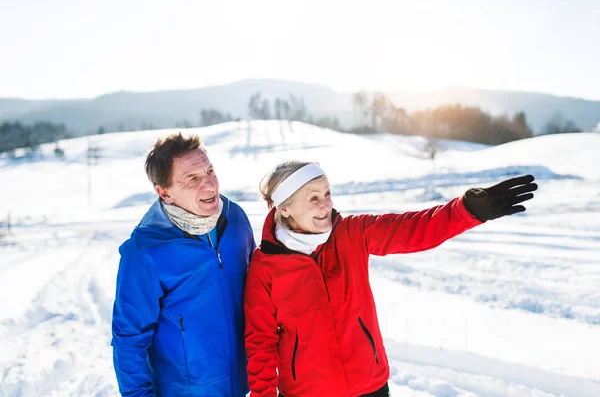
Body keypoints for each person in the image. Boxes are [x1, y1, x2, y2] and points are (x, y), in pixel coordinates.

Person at [244, 161, 537, 397]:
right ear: (284, 208)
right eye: (314, 199)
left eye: (328, 194)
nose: (326, 206)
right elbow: (260, 341)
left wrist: (466, 211)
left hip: (369, 385)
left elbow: (413, 229)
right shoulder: (265, 265)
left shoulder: (351, 233)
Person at [111, 133, 255, 397]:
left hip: (245, 385)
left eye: (210, 171)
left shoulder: (235, 218)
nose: (210, 185)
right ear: (164, 192)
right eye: (193, 178)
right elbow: (129, 341)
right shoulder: (144, 253)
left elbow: (259, 293)